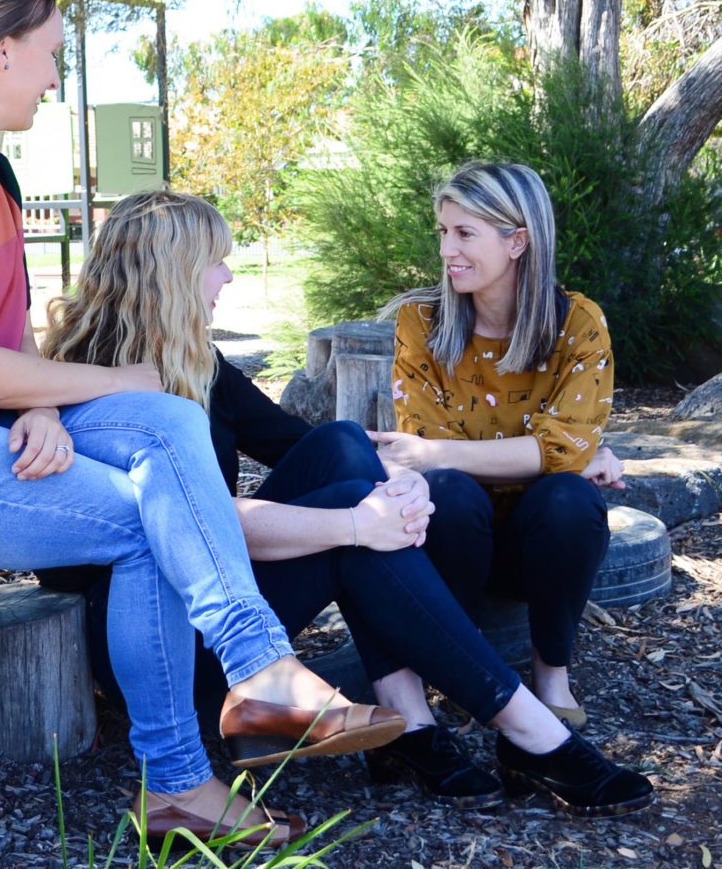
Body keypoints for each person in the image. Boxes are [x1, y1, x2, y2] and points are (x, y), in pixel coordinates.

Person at [0, 0, 408, 849]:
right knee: (152, 508)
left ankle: (258, 677)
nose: (57, 75)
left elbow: (4, 349)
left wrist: (36, 407)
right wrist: (105, 382)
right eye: (51, 53)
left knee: (175, 421)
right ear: (0, 54)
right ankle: (191, 770)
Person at [41, 190, 653, 819]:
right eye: (217, 262)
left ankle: (412, 722)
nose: (229, 275)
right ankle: (526, 732)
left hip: (215, 600)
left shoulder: (194, 359)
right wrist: (359, 522)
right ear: (169, 272)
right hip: (150, 631)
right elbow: (188, 524)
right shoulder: (93, 382)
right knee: (358, 528)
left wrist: (402, 479)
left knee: (342, 447)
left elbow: (306, 446)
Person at [374, 161, 625, 734]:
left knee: (569, 500)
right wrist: (559, 454)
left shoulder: (577, 324)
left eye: (465, 233)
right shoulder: (422, 323)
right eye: (443, 232)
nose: (447, 250)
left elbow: (548, 452)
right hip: (450, 538)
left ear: (518, 241)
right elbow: (430, 441)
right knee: (452, 493)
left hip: (537, 542)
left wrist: (561, 457)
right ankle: (470, 674)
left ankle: (551, 678)